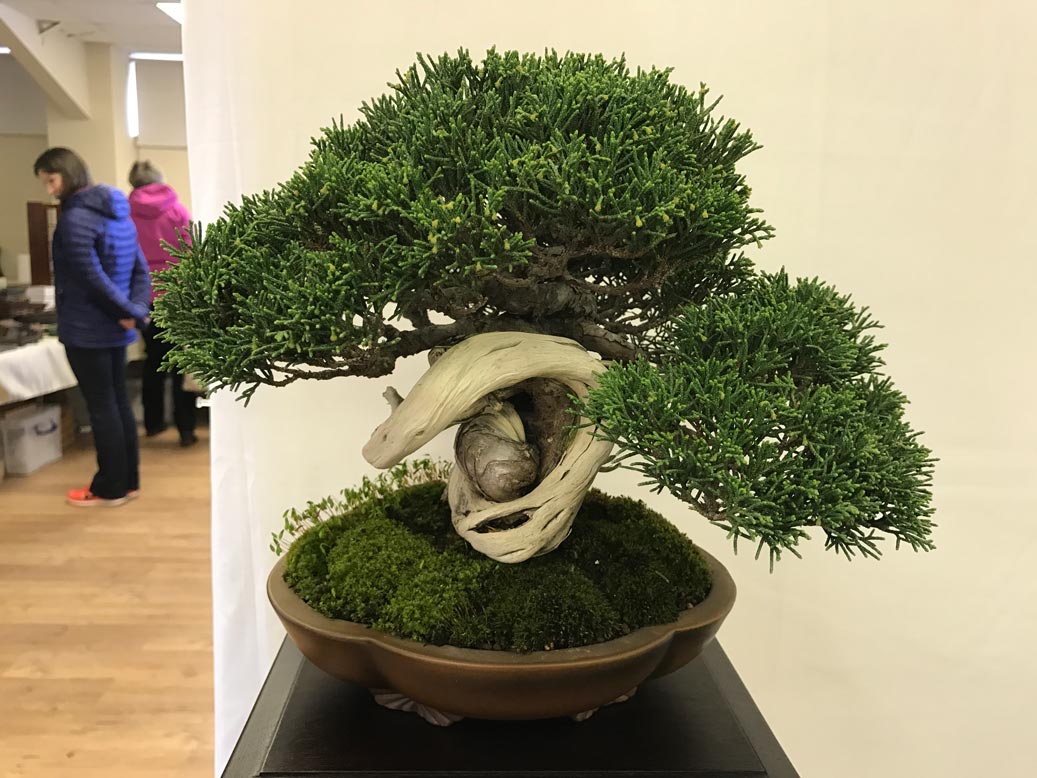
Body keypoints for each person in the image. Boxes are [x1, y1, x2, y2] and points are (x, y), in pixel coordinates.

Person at [34, 147, 151, 507]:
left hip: (87, 329)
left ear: (69, 174)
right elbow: (140, 270)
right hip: (116, 327)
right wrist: (133, 312)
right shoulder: (119, 213)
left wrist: (127, 312)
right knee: (117, 403)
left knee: (102, 407)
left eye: (52, 180)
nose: (50, 190)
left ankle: (109, 488)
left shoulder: (74, 219)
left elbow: (90, 279)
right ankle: (128, 482)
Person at [127, 160, 197, 446]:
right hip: (177, 294)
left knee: (154, 360)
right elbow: (192, 251)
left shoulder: (127, 214)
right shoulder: (177, 211)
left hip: (144, 296)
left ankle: (153, 424)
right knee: (182, 361)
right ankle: (186, 429)